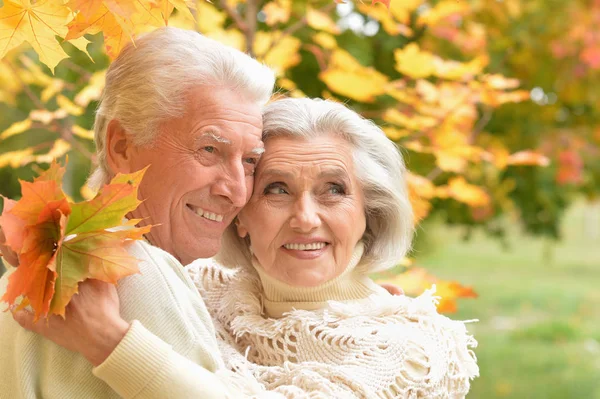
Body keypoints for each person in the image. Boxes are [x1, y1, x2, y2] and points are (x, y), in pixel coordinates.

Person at [14, 98, 479, 398]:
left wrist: (108, 342)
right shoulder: (201, 289)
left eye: (333, 190)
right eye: (276, 189)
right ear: (240, 215)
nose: (305, 217)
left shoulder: (415, 349)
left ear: (370, 213)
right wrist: (30, 235)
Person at [0, 26, 276, 398]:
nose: (238, 191)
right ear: (122, 148)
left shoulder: (19, 278)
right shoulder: (140, 268)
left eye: (249, 161)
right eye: (209, 150)